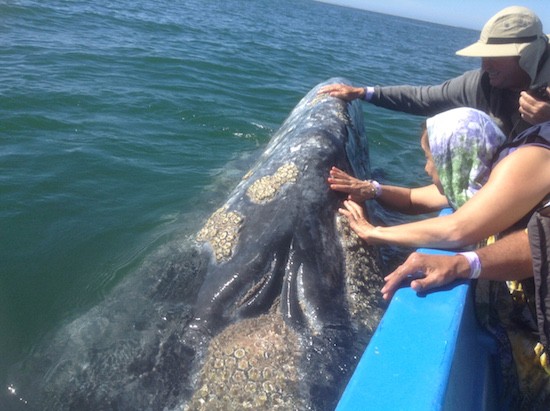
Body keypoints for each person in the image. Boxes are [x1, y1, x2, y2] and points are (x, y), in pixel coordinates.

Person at [319, 6, 550, 138]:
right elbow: (424, 97)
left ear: (527, 55)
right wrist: (363, 92)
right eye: (483, 56)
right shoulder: (481, 84)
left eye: (495, 57)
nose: (484, 66)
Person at [329, 107, 506, 214]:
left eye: (429, 158)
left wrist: (373, 232)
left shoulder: (494, 202)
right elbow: (412, 199)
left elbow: (456, 229)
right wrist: (373, 189)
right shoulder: (472, 188)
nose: (426, 168)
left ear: (454, 161)